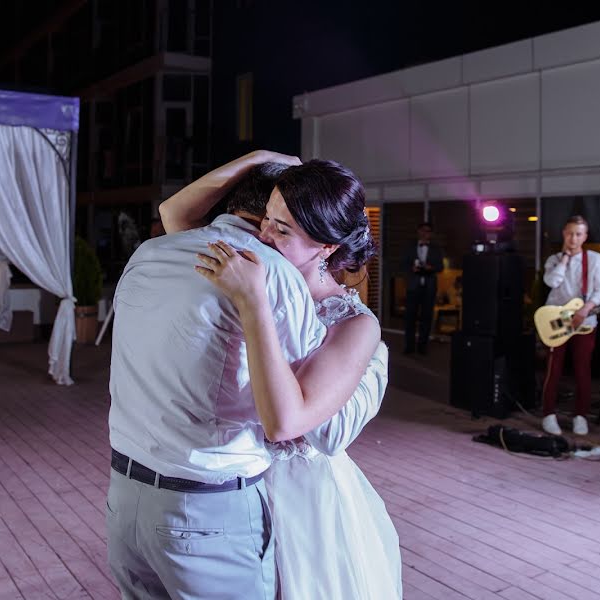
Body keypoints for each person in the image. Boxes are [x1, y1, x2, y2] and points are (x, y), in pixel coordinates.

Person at [167, 157, 401, 599]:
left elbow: (318, 433)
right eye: (267, 220)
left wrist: (254, 303)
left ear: (327, 248)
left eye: (284, 230)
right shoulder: (255, 270)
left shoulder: (353, 324)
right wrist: (256, 160)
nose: (265, 237)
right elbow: (174, 216)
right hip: (229, 479)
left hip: (301, 502)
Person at [106, 150, 319, 599]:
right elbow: (295, 404)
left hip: (125, 495)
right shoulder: (273, 273)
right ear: (279, 213)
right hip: (205, 510)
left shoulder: (150, 251)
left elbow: (173, 212)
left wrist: (258, 157)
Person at [541, 215, 600, 436]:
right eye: (570, 233)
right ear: (564, 233)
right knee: (554, 369)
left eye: (578, 234)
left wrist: (586, 308)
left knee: (583, 370)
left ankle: (581, 415)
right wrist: (564, 260)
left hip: (584, 321)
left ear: (585, 236)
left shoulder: (596, 260)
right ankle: (548, 415)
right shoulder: (552, 260)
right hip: (556, 320)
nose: (573, 238)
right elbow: (551, 282)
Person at [401, 222, 444, 355]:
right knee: (410, 318)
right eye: (423, 231)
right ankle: (409, 346)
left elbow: (440, 267)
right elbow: (403, 264)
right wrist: (411, 269)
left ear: (431, 234)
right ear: (418, 232)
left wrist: (431, 268)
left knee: (426, 318)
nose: (425, 233)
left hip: (429, 286)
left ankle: (422, 346)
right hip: (413, 286)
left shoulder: (436, 249)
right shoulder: (410, 247)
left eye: (428, 231)